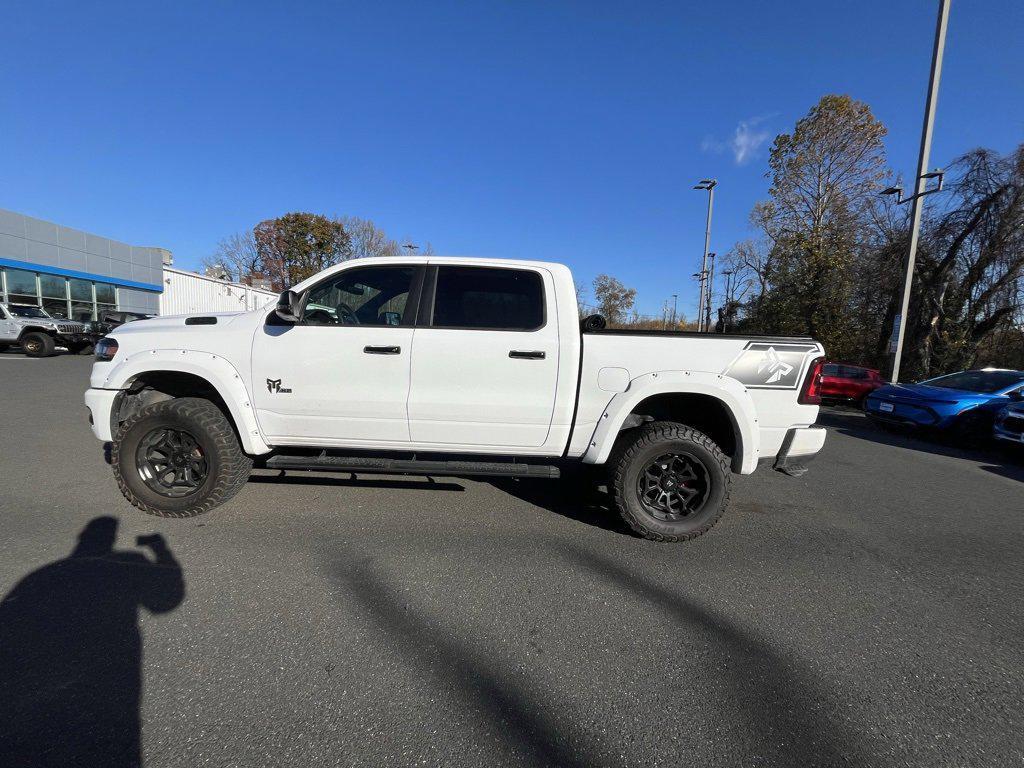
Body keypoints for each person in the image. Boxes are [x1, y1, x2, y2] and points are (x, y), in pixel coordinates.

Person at [0, 516, 185, 768]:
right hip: (107, 683)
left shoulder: (42, 576)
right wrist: (161, 550)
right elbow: (165, 601)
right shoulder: (131, 562)